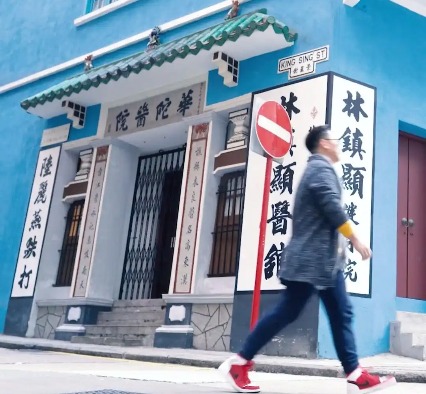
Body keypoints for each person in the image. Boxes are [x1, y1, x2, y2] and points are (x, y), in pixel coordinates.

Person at [218, 125, 397, 394]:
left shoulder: (319, 169)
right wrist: (355, 238)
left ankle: (355, 375)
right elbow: (332, 207)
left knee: (339, 313)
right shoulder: (320, 169)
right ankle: (240, 363)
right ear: (324, 143)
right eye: (336, 140)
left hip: (323, 263)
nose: (339, 145)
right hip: (311, 262)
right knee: (289, 312)